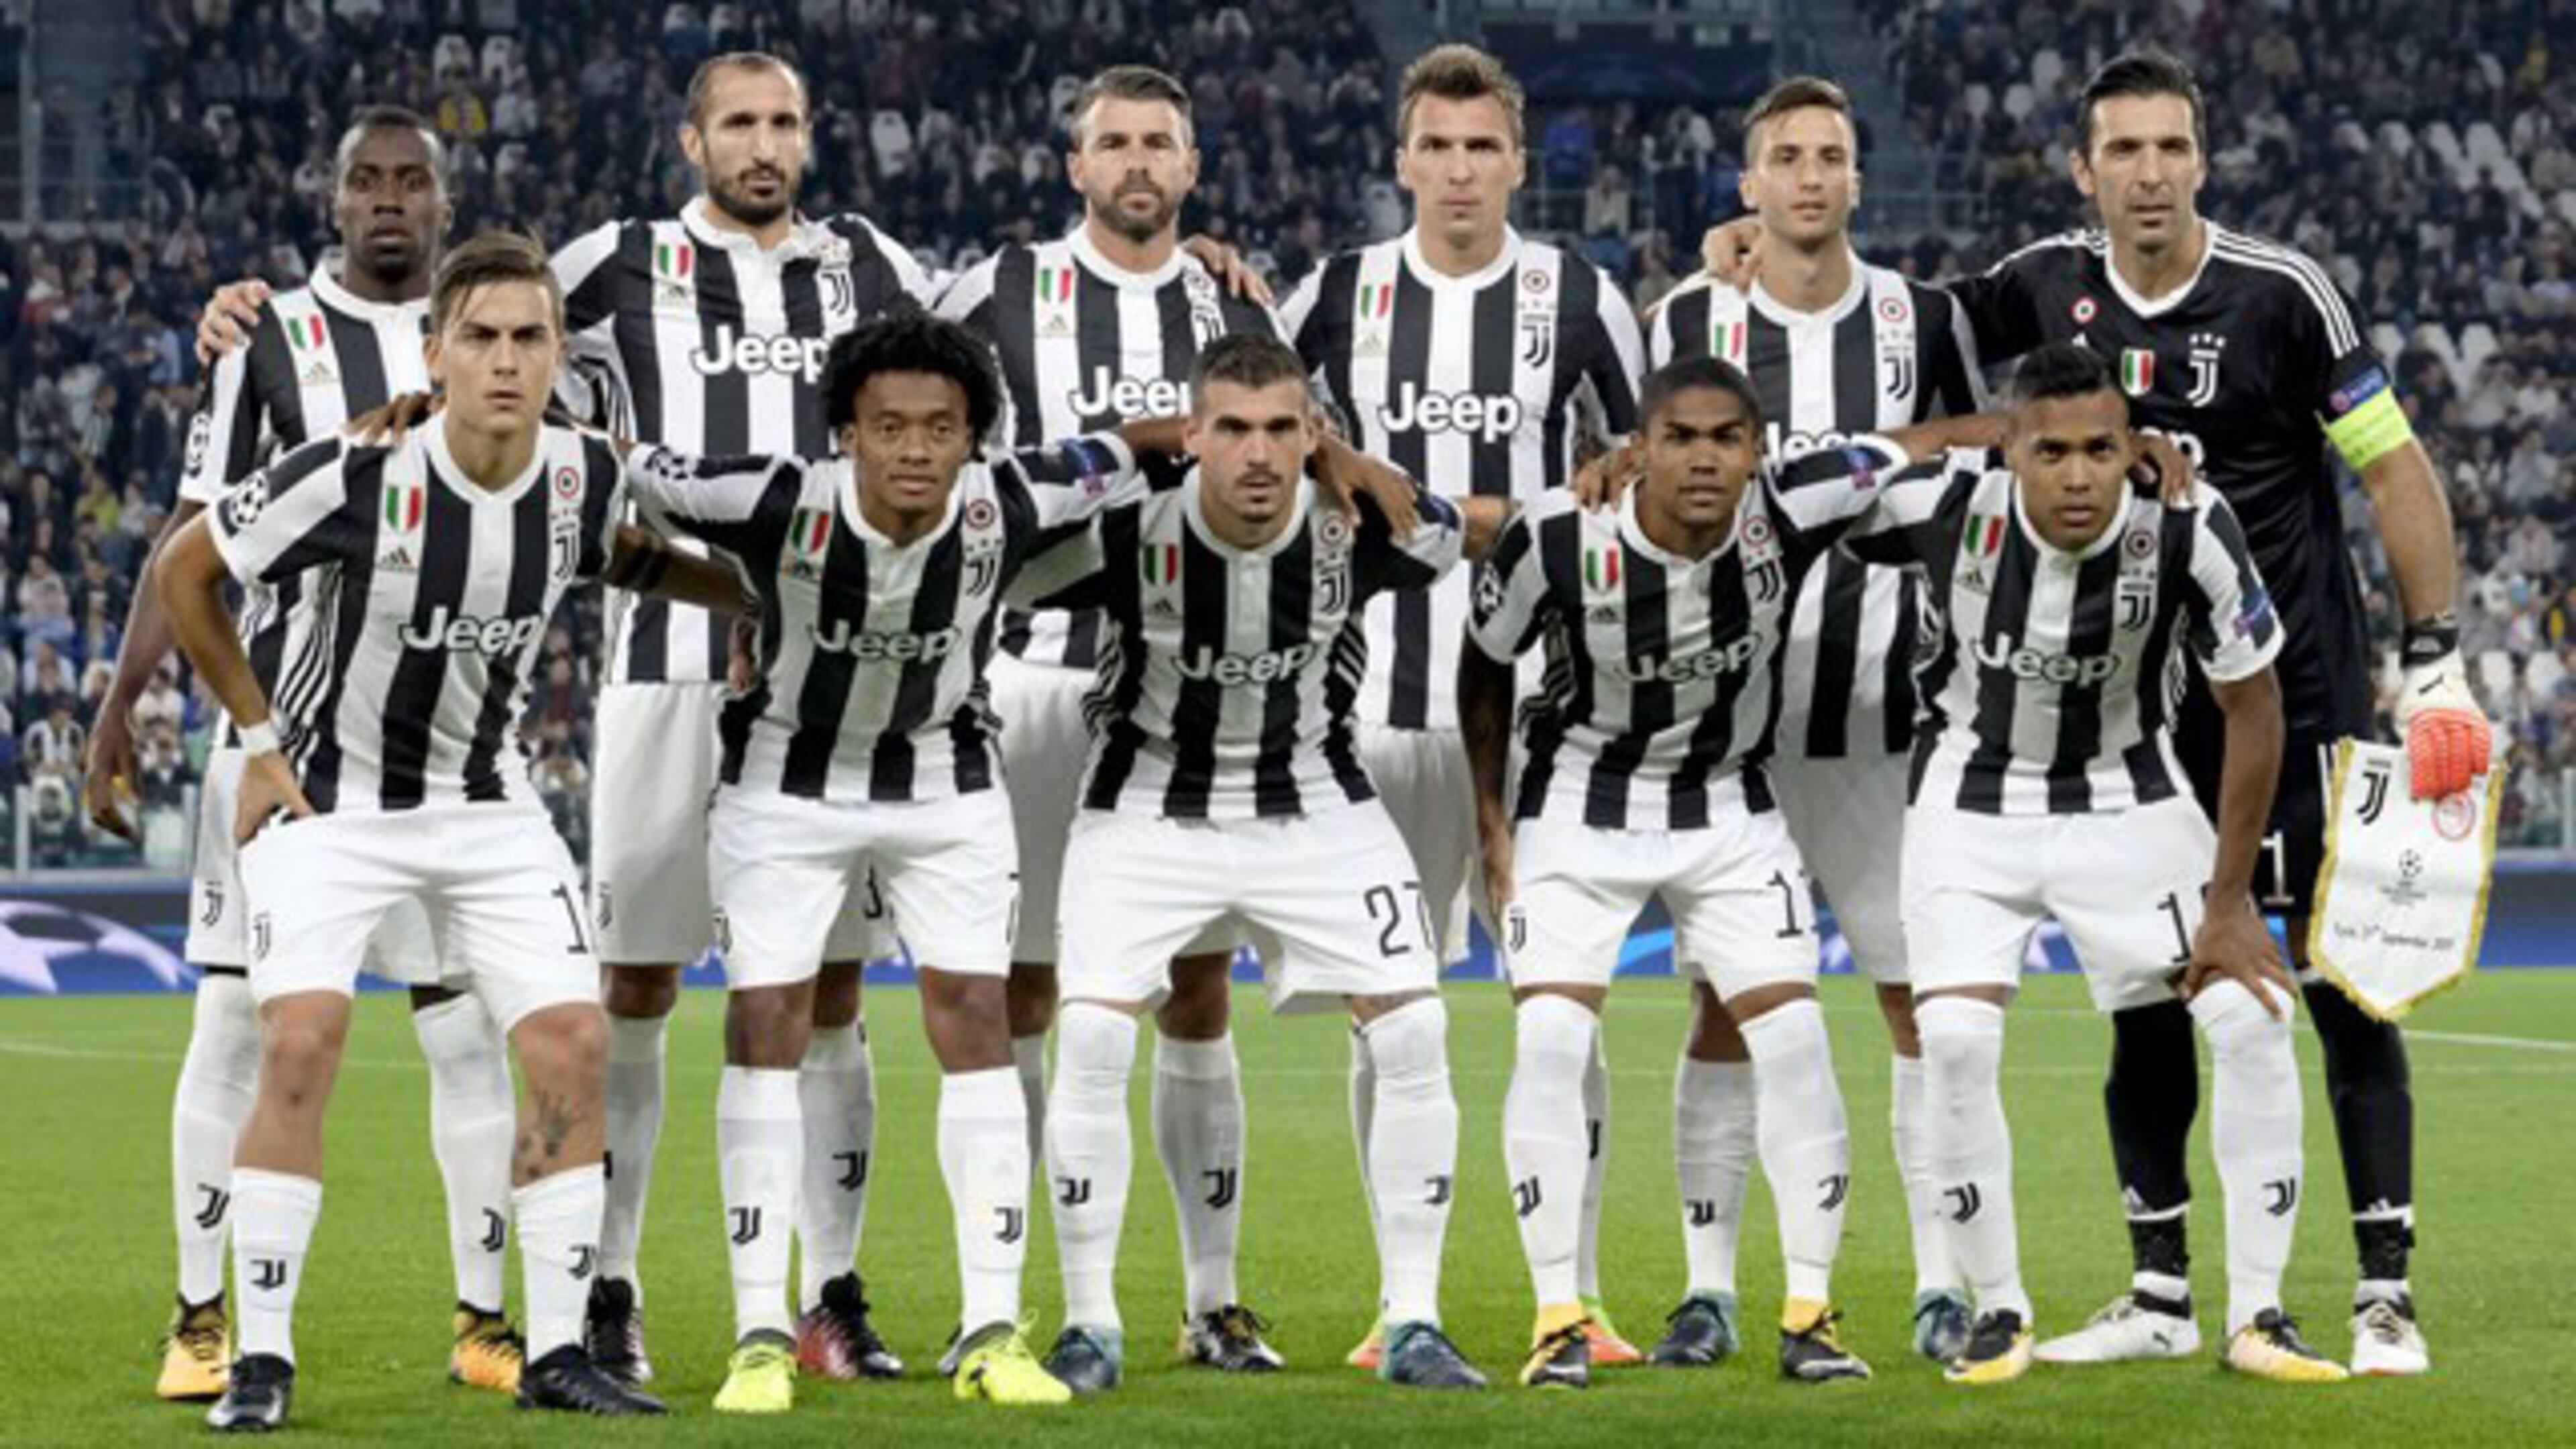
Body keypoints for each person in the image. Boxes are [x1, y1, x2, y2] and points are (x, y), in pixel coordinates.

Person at [1701, 50, 2485, 1377]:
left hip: (2290, 696)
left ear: (2202, 161)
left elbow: (2393, 466)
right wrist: (1757, 240)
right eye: (2124, 149)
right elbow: (1907, 334)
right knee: (2149, 1010)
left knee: (2339, 992)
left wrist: (2438, 655)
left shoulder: (2285, 297)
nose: (2150, 173)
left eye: (2172, 147)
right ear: (2084, 170)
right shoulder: (2038, 286)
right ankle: (2162, 1289)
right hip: (2139, 721)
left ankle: (2382, 1292)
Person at [195, 55, 935, 1387]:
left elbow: (969, 359)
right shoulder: (610, 263)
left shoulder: (872, 266)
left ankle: (825, 1297)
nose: (763, 144)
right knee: (626, 991)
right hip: (647, 680)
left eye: (784, 121)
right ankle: (604, 1300)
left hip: (816, 680)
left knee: (828, 994)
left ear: (811, 136)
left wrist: (1202, 274)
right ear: (692, 140)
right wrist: (259, 312)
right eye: (739, 122)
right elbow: (478, 306)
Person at [156, 231, 739, 1430]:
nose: (505, 361)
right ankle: (260, 1362)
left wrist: (757, 598)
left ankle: (559, 1351)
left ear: (560, 355)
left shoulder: (582, 472)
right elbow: (183, 571)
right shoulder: (357, 470)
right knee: (301, 1038)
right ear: (435, 354)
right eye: (479, 338)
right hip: (332, 804)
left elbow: (630, 560)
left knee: (573, 1041)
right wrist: (257, 742)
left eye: (529, 338)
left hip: (486, 804)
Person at [91, 108, 532, 1403]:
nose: (389, 199)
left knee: (465, 1034)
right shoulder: (268, 338)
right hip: (284, 742)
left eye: (412, 180)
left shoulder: (500, 333)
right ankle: (200, 1319)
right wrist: (121, 704)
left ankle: (485, 1321)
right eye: (366, 181)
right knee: (235, 1019)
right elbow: (190, 536)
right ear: (332, 201)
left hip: (446, 749)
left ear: (446, 203)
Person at [1464, 356, 2000, 1388]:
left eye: (1726, 439)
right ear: (1638, 450)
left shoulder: (1795, 500)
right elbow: (1484, 659)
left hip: (1726, 802)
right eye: (1680, 438)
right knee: (1550, 1037)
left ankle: (1810, 1315)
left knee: (1794, 1037)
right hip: (1578, 803)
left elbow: (1928, 441)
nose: (1704, 459)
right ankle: (1557, 1317)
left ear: (1758, 452)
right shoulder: (1558, 534)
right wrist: (1493, 826)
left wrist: (2053, 434)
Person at [1834, 343, 2345, 1386]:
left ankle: (2257, 1315)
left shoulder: (2190, 522)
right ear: (2009, 449)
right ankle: (1999, 1310)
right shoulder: (1943, 500)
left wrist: (2230, 902)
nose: (2079, 477)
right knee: (1954, 1042)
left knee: (2253, 1016)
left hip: (2127, 794)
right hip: (1970, 801)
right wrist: (1952, 434)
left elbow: (2254, 706)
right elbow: (1801, 486)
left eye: (2101, 450)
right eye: (2051, 451)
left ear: (2134, 447)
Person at [1016, 333, 1509, 1393]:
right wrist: (1130, 442)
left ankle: (1415, 1321)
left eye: (1282, 429)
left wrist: (1363, 470)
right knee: (1092, 1033)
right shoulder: (1125, 533)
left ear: (1311, 436)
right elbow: (994, 549)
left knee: (1414, 1026)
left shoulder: (1356, 525)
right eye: (1232, 429)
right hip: (1145, 803)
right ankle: (1090, 1324)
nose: (1257, 453)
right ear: (1192, 435)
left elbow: (1471, 534)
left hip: (1318, 800)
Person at [1279, 42, 1647, 1368]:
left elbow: (1642, 464)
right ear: (1401, 161)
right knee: (1388, 1014)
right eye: (1435, 147)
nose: (1457, 171)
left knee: (1563, 1012)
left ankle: (1578, 1296)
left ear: (1517, 161)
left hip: (1542, 715)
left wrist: (1490, 512)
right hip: (1369, 706)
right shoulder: (1337, 293)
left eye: (1481, 146)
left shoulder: (1583, 297)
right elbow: (1256, 428)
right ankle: (1401, 1303)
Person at [933, 64, 1287, 1371]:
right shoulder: (995, 293)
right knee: (1030, 989)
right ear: (1075, 166)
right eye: (1114, 142)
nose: (1138, 163)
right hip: (1032, 678)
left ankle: (1211, 1301)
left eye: (1160, 143)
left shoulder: (1241, 303)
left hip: (1188, 695)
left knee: (1197, 990)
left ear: (1191, 167)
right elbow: (926, 442)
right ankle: (1021, 1296)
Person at [1643, 75, 1987, 1368]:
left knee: (1916, 1005)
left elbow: (1979, 449)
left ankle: (1943, 1286)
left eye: (1828, 157)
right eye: (1784, 157)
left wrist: (1883, 450)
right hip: (1728, 735)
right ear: (1749, 185)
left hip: (1888, 723)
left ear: (1856, 179)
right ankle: (1708, 1291)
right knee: (1723, 1010)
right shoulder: (1691, 316)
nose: (1807, 177)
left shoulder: (1923, 316)